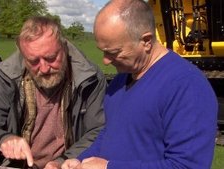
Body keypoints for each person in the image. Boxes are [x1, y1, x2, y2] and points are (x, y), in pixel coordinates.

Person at [61, 0, 218, 169]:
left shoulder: (186, 86)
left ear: (146, 41)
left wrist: (110, 167)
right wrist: (82, 160)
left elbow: (187, 166)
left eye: (113, 52)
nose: (105, 61)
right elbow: (110, 134)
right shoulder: (120, 81)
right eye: (103, 51)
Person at [0, 16, 107, 169]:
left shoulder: (89, 78)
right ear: (23, 57)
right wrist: (3, 140)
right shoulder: (5, 77)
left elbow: (99, 130)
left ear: (64, 48)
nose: (44, 68)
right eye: (34, 61)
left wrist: (62, 162)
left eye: (51, 58)